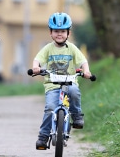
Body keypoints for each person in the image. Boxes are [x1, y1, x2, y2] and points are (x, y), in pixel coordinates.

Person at [31, 12, 92, 149]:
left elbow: (83, 61)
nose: (59, 34)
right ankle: (43, 136)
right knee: (50, 108)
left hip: (69, 83)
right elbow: (38, 59)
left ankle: (76, 116)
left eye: (63, 31)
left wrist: (86, 71)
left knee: (75, 91)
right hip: (52, 86)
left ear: (68, 33)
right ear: (50, 33)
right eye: (56, 31)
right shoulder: (48, 48)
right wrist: (36, 67)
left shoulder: (72, 48)